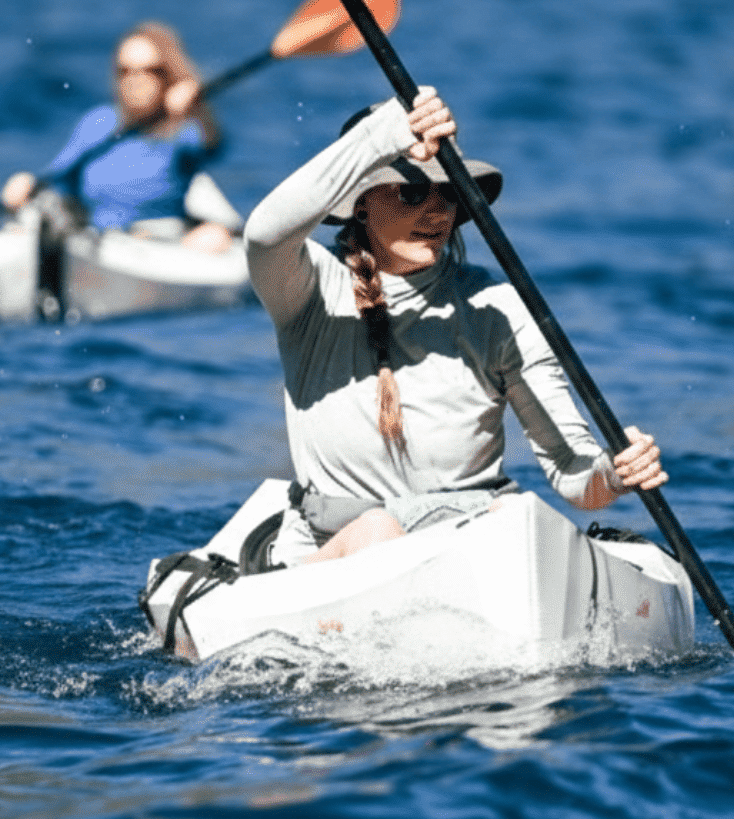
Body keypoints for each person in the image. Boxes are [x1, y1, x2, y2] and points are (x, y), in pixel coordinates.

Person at [243, 88, 668, 567]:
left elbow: (572, 473)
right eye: (412, 192)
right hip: (339, 540)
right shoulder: (309, 287)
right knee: (380, 533)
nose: (438, 211)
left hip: (462, 533)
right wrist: (383, 133)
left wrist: (612, 473)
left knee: (519, 514)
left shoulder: (499, 305)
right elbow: (264, 233)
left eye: (449, 193)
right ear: (360, 203)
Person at [0, 21, 239, 256]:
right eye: (125, 71)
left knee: (214, 238)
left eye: (150, 71)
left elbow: (213, 145)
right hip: (97, 244)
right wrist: (27, 184)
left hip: (161, 246)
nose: (136, 79)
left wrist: (198, 108)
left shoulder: (182, 128)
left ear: (168, 75)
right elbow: (59, 179)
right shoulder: (98, 123)